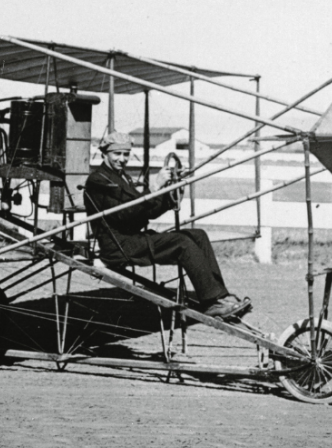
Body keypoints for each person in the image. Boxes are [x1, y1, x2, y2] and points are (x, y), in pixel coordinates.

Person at [83, 131, 250, 319]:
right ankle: (212, 303)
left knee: (198, 235)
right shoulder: (98, 180)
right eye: (117, 154)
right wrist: (154, 188)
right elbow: (125, 214)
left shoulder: (122, 177)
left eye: (126, 154)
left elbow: (145, 212)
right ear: (105, 153)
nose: (122, 159)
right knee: (182, 243)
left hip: (132, 239)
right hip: (118, 246)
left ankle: (221, 296)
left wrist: (169, 196)